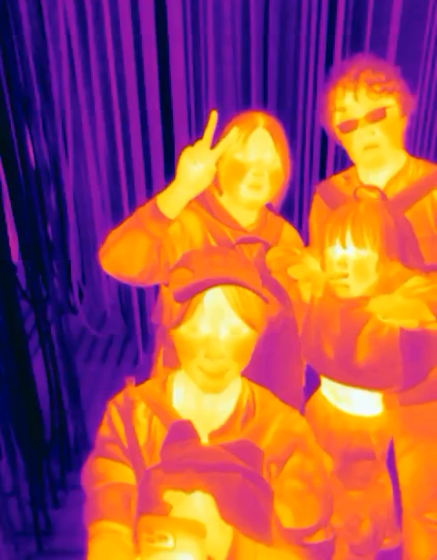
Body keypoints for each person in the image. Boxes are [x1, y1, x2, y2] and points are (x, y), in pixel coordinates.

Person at [82, 248, 334, 560]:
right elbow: (109, 505)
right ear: (172, 326)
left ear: (258, 332)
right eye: (197, 327)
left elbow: (309, 547)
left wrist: (227, 541)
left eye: (235, 330)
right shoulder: (131, 417)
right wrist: (111, 543)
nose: (215, 350)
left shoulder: (285, 436)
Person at [306, 53, 437, 558]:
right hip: (348, 383)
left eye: (376, 112)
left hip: (425, 387)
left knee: (427, 512)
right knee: (350, 512)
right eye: (348, 122)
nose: (364, 130)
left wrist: (413, 300)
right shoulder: (328, 198)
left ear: (405, 108)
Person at [98, 109, 304, 409]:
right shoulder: (188, 225)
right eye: (244, 158)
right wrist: (181, 190)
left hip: (255, 404)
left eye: (269, 161)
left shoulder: (285, 238)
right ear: (219, 165)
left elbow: (293, 338)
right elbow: (117, 260)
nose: (258, 171)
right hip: (189, 395)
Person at [268, 192, 437, 558]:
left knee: (360, 515)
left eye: (359, 251)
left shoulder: (404, 295)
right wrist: (309, 270)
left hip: (374, 426)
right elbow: (281, 259)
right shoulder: (322, 291)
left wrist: (408, 307)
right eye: (336, 251)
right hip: (323, 411)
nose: (342, 265)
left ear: (386, 257)